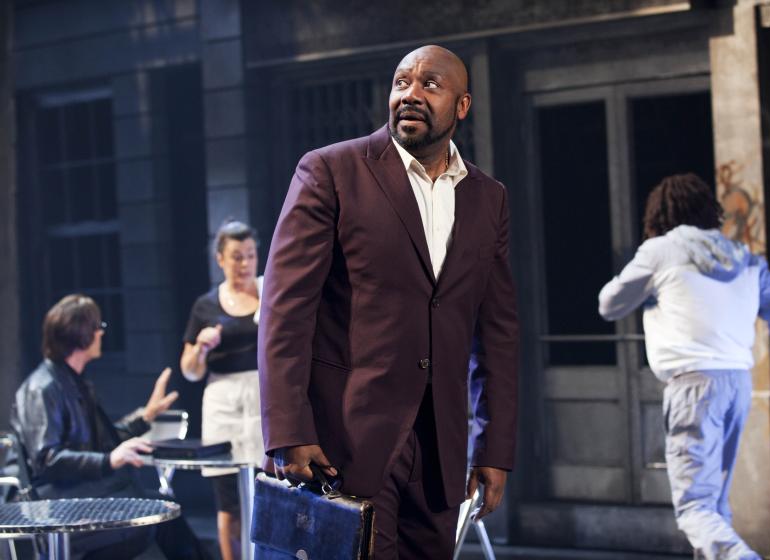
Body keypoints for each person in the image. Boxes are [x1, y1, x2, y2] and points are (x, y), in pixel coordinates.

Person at [257, 45, 519, 558]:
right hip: (343, 444)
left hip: (440, 454)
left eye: (430, 85)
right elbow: (286, 311)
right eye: (402, 83)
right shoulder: (331, 170)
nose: (411, 95)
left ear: (462, 106)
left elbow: (498, 333)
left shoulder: (489, 197)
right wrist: (287, 428)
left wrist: (494, 448)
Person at [598, 173, 770, 560]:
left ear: (658, 216)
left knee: (695, 508)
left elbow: (609, 304)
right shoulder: (746, 258)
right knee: (715, 506)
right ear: (710, 211)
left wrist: (649, 292)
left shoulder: (660, 252)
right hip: (738, 385)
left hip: (692, 386)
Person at [10, 294, 208, 560]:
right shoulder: (42, 388)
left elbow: (105, 442)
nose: (101, 333)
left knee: (164, 510)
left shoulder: (75, 383)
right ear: (81, 333)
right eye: (98, 327)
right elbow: (47, 460)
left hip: (82, 495)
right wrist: (109, 460)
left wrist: (146, 417)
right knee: (155, 515)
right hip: (56, 505)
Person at [181, 220, 263, 560]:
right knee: (229, 501)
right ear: (220, 259)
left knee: (269, 491)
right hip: (223, 402)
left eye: (250, 255)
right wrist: (201, 347)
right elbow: (190, 371)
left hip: (263, 399)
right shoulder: (206, 305)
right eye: (236, 257)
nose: (245, 264)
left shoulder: (270, 293)